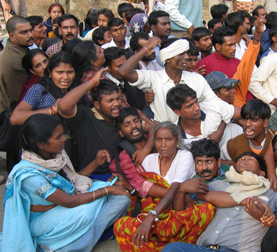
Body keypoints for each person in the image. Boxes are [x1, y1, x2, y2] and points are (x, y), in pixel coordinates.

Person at [1, 114, 130, 252]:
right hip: (43, 220)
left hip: (68, 203)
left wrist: (96, 163)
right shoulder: (28, 175)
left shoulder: (57, 155)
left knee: (122, 197)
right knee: (86, 211)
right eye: (58, 137)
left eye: (62, 134)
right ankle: (71, 245)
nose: (64, 139)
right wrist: (107, 190)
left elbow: (73, 181)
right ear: (41, 145)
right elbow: (69, 201)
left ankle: (82, 237)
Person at [163, 148, 277, 252]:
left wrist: (268, 220)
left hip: (240, 249)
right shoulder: (217, 185)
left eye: (250, 159)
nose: (244, 159)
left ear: (262, 173)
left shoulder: (274, 193)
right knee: (172, 249)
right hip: (204, 248)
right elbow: (181, 216)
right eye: (241, 159)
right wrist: (182, 191)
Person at [113, 121, 215, 251]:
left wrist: (151, 216)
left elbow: (174, 189)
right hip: (156, 216)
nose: (163, 144)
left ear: (177, 141)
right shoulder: (149, 160)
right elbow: (143, 192)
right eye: (159, 139)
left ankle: (162, 242)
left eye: (168, 139)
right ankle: (164, 243)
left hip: (175, 213)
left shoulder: (184, 156)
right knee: (120, 225)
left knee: (207, 210)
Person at [118, 37, 240, 123]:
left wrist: (244, 113)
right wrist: (148, 47)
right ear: (168, 58)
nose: (186, 57)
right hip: (165, 138)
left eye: (186, 53)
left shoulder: (196, 79)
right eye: (181, 54)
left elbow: (217, 105)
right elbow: (123, 71)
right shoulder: (153, 78)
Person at [195, 18, 265, 108]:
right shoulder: (204, 65)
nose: (234, 48)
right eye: (230, 45)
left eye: (235, 44)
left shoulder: (239, 63)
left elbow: (245, 90)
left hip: (240, 111)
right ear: (218, 46)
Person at [221, 99, 277, 191]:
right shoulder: (233, 144)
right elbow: (218, 162)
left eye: (254, 120)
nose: (247, 124)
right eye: (244, 119)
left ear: (265, 122)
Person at [0, 16, 34, 113]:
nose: (30, 35)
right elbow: (24, 96)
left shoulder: (19, 49)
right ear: (12, 36)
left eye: (30, 30)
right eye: (24, 32)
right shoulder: (15, 60)